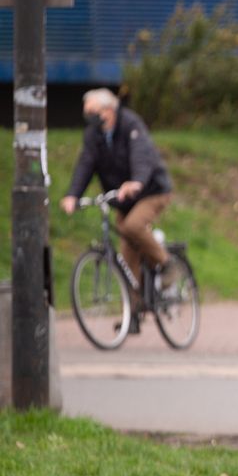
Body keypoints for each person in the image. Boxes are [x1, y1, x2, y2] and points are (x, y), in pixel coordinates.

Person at [61, 89, 174, 329]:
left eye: (92, 112)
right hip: (123, 198)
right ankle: (133, 312)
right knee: (127, 254)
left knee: (133, 226)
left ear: (109, 110)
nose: (88, 117)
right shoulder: (94, 134)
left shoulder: (130, 124)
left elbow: (142, 156)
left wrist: (137, 181)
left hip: (151, 191)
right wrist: (73, 195)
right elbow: (86, 163)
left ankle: (165, 263)